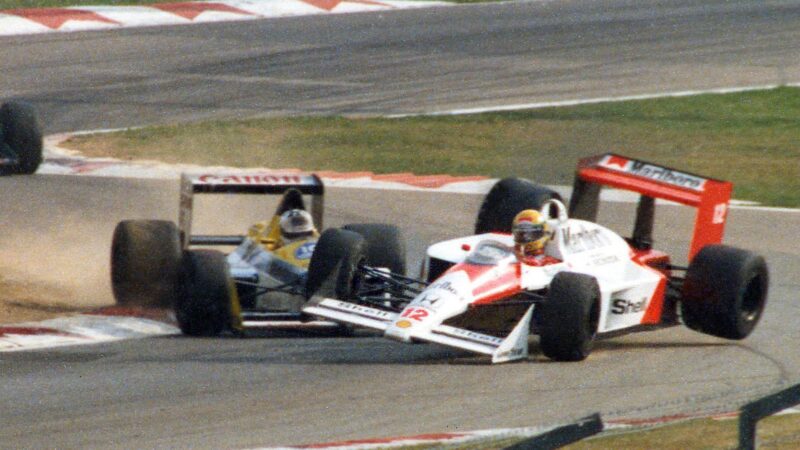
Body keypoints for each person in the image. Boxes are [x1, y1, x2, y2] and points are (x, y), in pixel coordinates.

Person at [248, 208, 319, 268]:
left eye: (304, 233)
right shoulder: (276, 251)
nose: (300, 237)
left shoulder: (321, 244)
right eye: (295, 235)